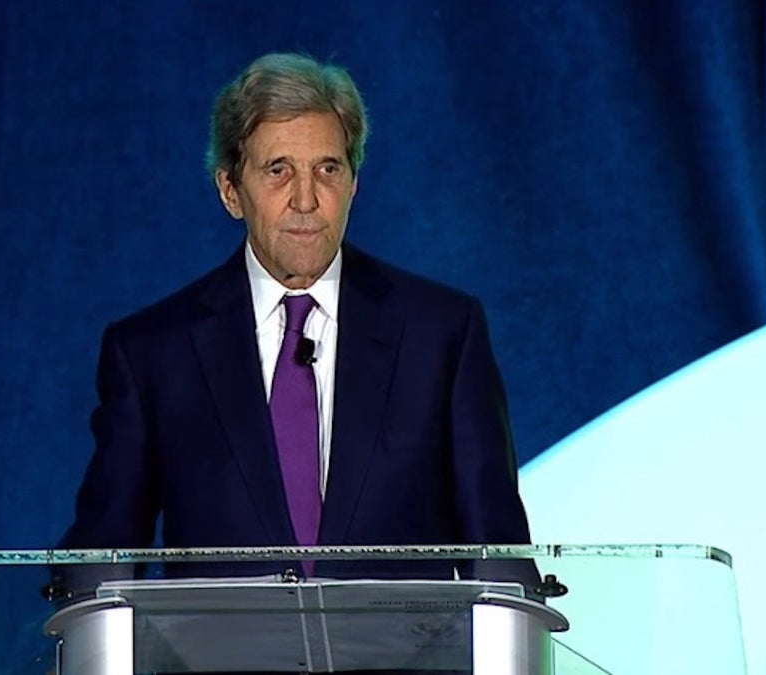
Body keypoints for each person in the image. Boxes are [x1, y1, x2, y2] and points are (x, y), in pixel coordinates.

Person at [61, 52, 536, 585]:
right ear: (229, 191)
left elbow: (499, 558)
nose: (306, 199)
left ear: (354, 184)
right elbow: (97, 563)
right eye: (278, 171)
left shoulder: (442, 334)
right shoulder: (152, 353)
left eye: (327, 169)